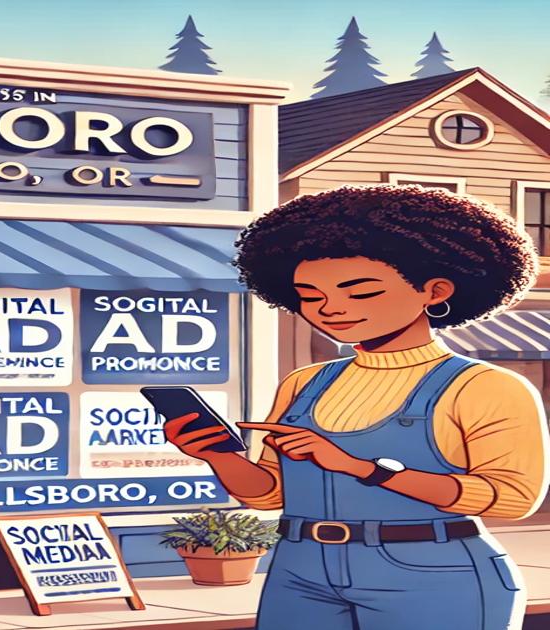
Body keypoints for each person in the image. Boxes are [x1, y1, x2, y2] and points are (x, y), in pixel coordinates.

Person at [164, 185, 549, 630]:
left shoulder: (486, 386)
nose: (331, 309)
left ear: (434, 290)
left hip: (434, 572)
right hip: (300, 570)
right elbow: (270, 494)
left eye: (360, 292)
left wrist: (364, 468)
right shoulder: (305, 383)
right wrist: (217, 454)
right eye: (310, 295)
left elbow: (512, 499)